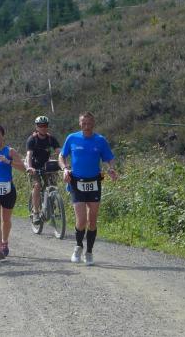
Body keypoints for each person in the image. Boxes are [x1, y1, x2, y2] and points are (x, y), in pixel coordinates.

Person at [59, 111, 118, 266]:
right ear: (80, 123)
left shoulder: (100, 140)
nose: (86, 126)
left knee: (92, 220)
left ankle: (89, 252)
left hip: (94, 183)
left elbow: (110, 158)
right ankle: (78, 247)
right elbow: (62, 156)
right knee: (81, 220)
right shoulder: (72, 138)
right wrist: (65, 168)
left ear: (93, 123)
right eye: (83, 123)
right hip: (76, 182)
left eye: (89, 123)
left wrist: (111, 168)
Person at [0, 125, 27, 260]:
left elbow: (23, 168)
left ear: (3, 136)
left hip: (8, 189)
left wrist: (8, 161)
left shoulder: (10, 151)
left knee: (6, 220)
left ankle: (5, 242)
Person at [25, 115, 61, 224]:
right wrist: (30, 167)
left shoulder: (51, 139)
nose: (43, 128)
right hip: (34, 167)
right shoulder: (32, 139)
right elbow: (29, 155)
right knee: (37, 185)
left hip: (46, 166)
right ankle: (36, 212)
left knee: (52, 184)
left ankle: (50, 204)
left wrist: (65, 164)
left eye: (45, 125)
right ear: (36, 127)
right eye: (40, 126)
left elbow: (60, 152)